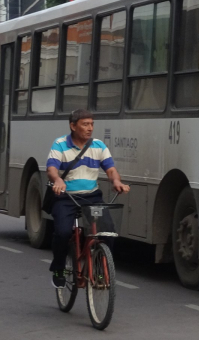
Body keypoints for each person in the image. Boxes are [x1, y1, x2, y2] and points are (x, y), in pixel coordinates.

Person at [46, 109, 130, 289]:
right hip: (66, 197)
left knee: (108, 232)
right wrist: (58, 179)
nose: (90, 128)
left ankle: (99, 271)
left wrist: (116, 181)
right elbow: (52, 168)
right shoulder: (60, 144)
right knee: (62, 233)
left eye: (92, 124)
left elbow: (110, 169)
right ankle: (59, 268)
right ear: (73, 126)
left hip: (92, 197)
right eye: (85, 124)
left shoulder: (98, 145)